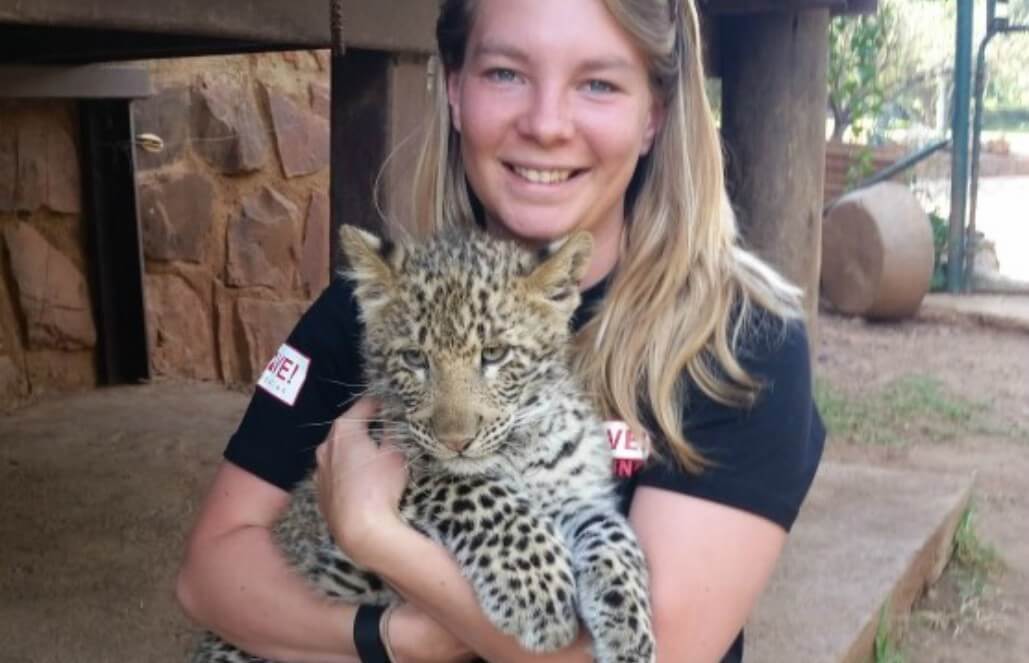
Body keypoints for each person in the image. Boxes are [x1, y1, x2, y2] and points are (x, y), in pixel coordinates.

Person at [175, 0, 825, 661]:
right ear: (454, 90)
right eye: (506, 74)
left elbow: (651, 653)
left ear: (653, 112)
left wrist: (376, 535)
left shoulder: (736, 341)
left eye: (597, 82)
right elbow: (209, 575)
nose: (545, 125)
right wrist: (389, 637)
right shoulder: (376, 306)